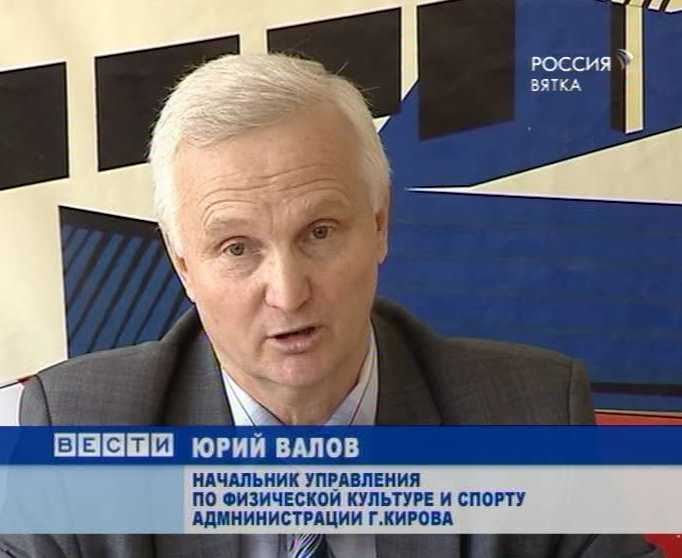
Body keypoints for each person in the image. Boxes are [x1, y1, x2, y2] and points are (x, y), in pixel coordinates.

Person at [0, 54, 661, 558]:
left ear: (379, 226)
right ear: (184, 266)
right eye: (237, 248)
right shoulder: (80, 432)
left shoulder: (528, 417)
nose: (289, 293)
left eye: (319, 233)